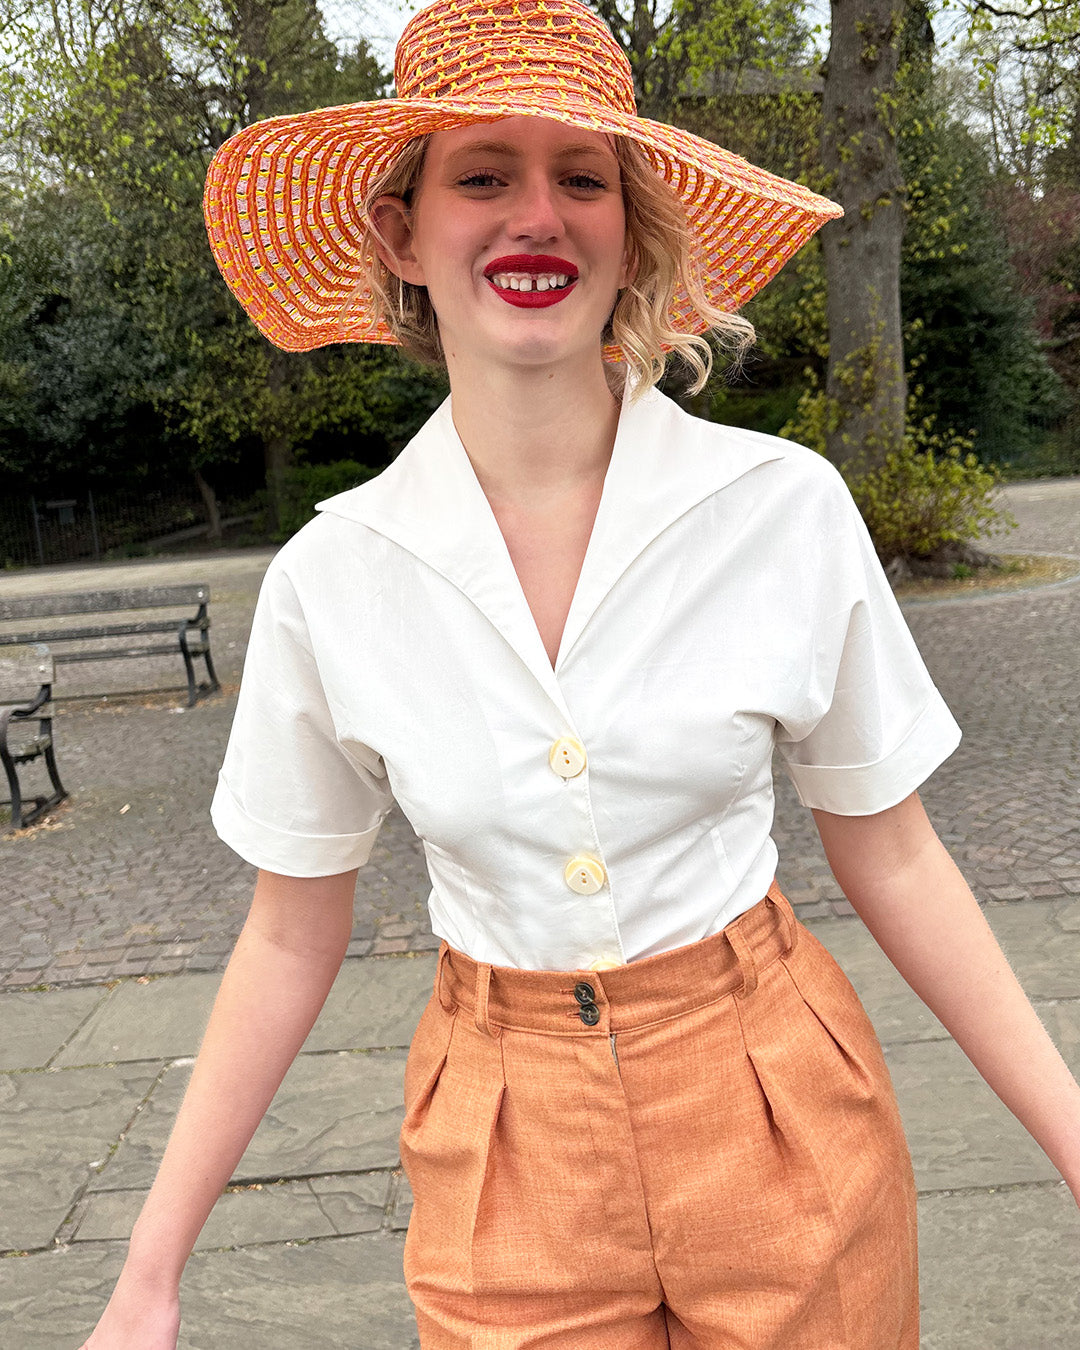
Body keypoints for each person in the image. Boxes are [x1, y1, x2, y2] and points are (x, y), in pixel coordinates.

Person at [82, 0, 1080, 1346]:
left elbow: (894, 852)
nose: (536, 215)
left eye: (583, 177)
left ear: (631, 224)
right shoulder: (336, 575)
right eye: (482, 174)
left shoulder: (781, 506)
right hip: (506, 1145)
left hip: (777, 1105)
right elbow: (286, 926)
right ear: (403, 230)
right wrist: (151, 1267)